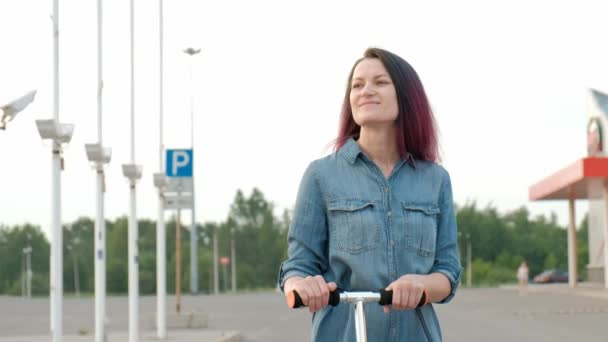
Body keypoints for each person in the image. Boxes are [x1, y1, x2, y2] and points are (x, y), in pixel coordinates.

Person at [277, 47, 462, 341]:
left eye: (380, 82)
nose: (366, 91)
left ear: (405, 95)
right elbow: (297, 267)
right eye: (357, 85)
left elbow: (448, 272)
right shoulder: (321, 175)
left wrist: (420, 284)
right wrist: (300, 286)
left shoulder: (435, 179)